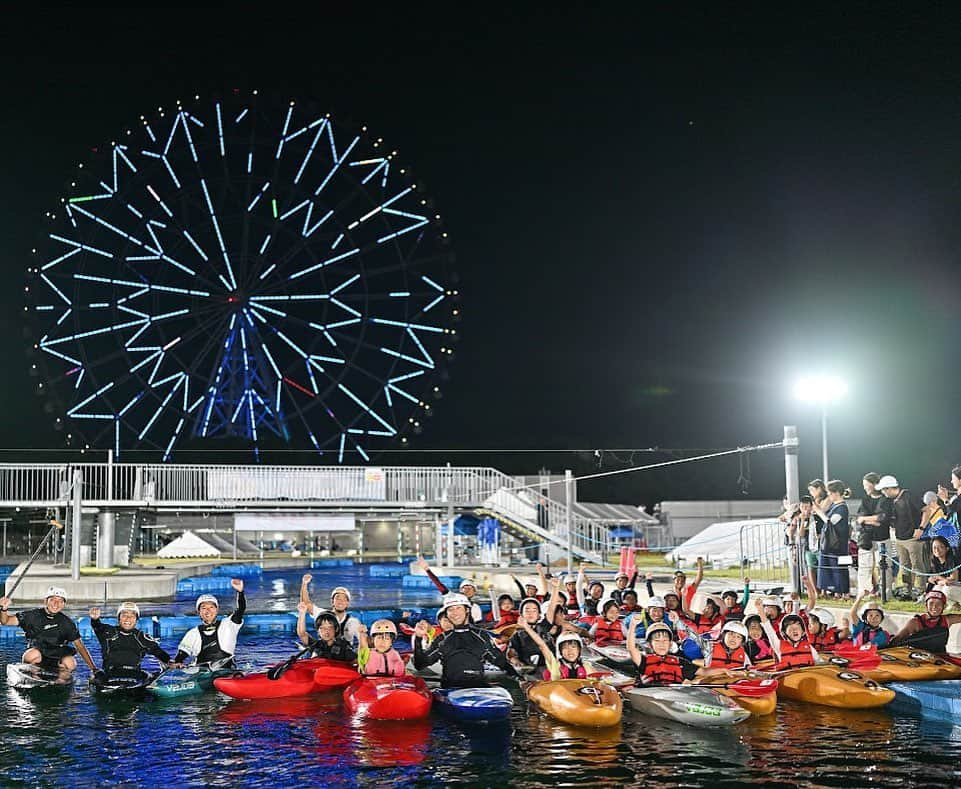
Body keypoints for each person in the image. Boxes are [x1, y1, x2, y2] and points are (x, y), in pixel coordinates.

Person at [412, 592, 521, 687]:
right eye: (450, 609)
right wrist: (418, 637)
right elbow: (420, 665)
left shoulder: (481, 636)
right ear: (447, 614)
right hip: (451, 691)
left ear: (467, 610)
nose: (455, 613)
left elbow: (501, 662)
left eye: (458, 608)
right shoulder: (442, 639)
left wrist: (520, 679)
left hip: (478, 690)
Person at [0, 586, 96, 676]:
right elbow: (6, 621)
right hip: (38, 655)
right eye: (53, 600)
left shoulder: (67, 622)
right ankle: (34, 676)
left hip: (58, 657)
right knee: (31, 655)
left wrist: (93, 669)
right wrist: (4, 609)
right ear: (46, 601)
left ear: (63, 604)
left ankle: (61, 681)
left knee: (71, 663)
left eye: (60, 601)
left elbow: (80, 646)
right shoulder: (32, 616)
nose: (56, 604)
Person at [89, 601, 173, 683]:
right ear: (119, 618)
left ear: (136, 620)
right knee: (97, 675)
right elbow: (97, 626)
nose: (128, 619)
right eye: (124, 615)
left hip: (135, 676)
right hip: (109, 675)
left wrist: (169, 661)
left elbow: (158, 651)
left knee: (150, 678)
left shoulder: (141, 637)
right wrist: (95, 619)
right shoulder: (108, 632)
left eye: (132, 616)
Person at [173, 579, 245, 668]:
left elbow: (240, 610)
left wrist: (240, 592)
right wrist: (177, 663)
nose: (208, 611)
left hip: (227, 672)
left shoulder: (228, 625)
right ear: (198, 612)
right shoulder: (193, 633)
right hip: (202, 673)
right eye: (203, 608)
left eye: (211, 607)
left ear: (217, 610)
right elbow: (180, 657)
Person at [873, 476, 923, 598]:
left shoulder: (908, 496)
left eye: (884, 490)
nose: (884, 493)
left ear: (890, 488)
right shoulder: (892, 501)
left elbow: (926, 510)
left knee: (917, 565)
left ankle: (920, 590)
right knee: (904, 565)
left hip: (912, 538)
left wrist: (921, 528)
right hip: (900, 537)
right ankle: (907, 590)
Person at [626, 618, 699, 685]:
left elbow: (705, 672)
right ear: (650, 644)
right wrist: (633, 625)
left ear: (670, 644)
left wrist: (692, 682)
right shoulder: (643, 660)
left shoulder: (680, 662)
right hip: (651, 695)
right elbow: (631, 648)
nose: (662, 644)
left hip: (674, 695)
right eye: (657, 641)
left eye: (665, 640)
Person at [812, 480, 852, 597]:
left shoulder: (842, 507)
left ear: (837, 493)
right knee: (829, 567)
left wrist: (819, 512)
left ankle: (842, 592)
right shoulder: (835, 506)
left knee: (839, 568)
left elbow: (831, 522)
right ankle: (833, 591)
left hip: (839, 545)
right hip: (832, 544)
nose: (828, 496)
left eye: (830, 493)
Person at [890, 589, 961, 652]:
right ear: (926, 606)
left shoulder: (948, 619)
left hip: (940, 658)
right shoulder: (915, 622)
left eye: (939, 604)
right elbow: (898, 638)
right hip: (920, 659)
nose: (934, 607)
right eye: (931, 603)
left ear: (944, 607)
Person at [757, 598, 818, 670]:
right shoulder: (778, 645)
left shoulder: (809, 647)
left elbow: (820, 663)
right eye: (791, 629)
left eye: (798, 628)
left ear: (803, 632)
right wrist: (760, 609)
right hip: (788, 679)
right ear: (784, 633)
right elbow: (768, 629)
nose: (795, 630)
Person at [301, 576, 363, 645]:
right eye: (338, 598)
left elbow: (364, 642)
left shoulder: (353, 622)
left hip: (345, 653)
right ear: (332, 601)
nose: (340, 601)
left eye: (344, 599)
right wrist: (304, 584)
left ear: (347, 603)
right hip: (324, 651)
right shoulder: (323, 615)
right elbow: (306, 604)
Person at [854, 473, 886, 595]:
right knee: (864, 567)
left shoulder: (884, 499)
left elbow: (882, 518)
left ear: (874, 485)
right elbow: (859, 518)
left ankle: (883, 591)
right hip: (865, 538)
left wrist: (867, 519)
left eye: (866, 485)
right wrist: (873, 520)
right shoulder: (865, 499)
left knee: (882, 566)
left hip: (881, 537)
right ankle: (865, 591)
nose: (865, 488)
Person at [924, 536, 961, 603]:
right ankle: (953, 604)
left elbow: (953, 580)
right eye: (934, 548)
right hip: (945, 585)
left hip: (957, 587)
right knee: (936, 589)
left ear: (947, 548)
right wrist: (939, 582)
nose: (937, 550)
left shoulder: (953, 560)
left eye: (940, 547)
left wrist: (939, 577)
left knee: (946, 590)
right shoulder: (934, 562)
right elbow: (930, 579)